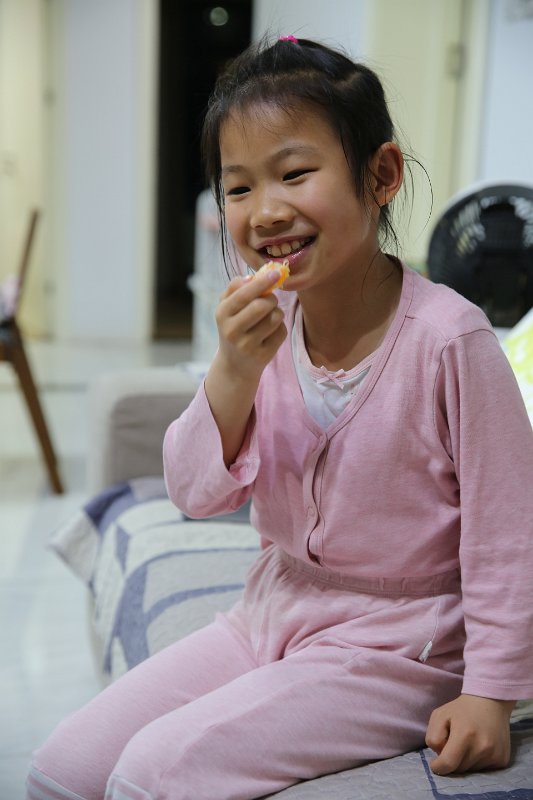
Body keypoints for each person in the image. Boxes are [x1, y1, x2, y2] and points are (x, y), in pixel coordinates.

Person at [27, 35, 533, 800]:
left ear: (380, 175)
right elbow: (196, 494)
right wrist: (232, 372)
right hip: (269, 610)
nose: (265, 212)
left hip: (401, 647)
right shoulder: (268, 326)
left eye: (294, 174)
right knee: (61, 768)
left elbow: (507, 534)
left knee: (149, 775)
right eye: (237, 188)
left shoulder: (449, 340)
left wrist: (491, 693)